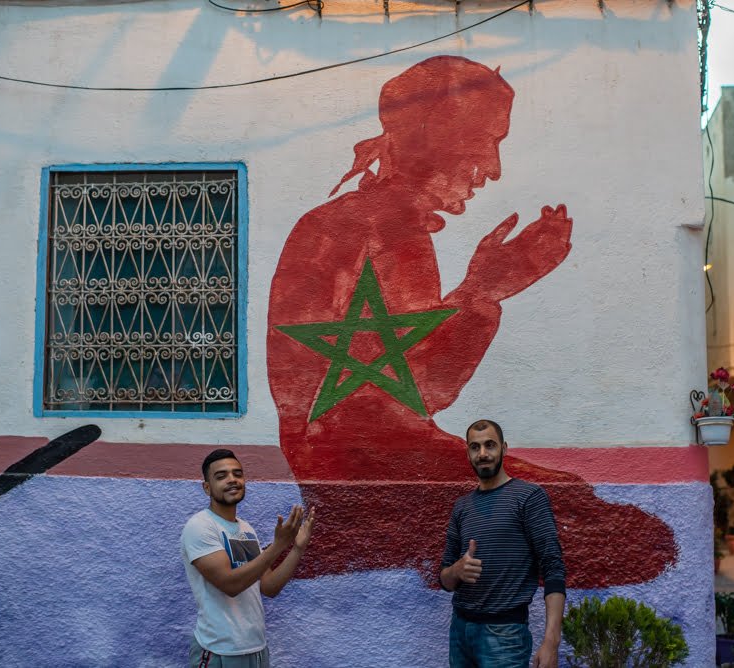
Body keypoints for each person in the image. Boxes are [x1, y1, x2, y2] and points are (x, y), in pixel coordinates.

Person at [266, 55, 676, 588]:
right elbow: (420, 389)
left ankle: (389, 548)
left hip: (367, 471)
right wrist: (485, 290)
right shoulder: (382, 231)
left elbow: (405, 384)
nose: (494, 167)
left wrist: (483, 290)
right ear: (436, 137)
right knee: (613, 531)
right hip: (370, 480)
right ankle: (376, 546)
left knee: (579, 506)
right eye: (486, 141)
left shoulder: (363, 224)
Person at [440, 420, 565, 668]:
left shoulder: (529, 497)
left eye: (490, 445)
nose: (483, 453)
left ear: (504, 448)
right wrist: (456, 570)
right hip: (460, 632)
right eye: (475, 447)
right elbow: (444, 580)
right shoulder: (461, 507)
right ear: (468, 453)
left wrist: (551, 642)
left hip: (505, 636)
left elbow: (553, 567)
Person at [181, 449, 315, 668]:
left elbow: (269, 587)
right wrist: (279, 545)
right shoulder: (200, 526)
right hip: (220, 652)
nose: (232, 480)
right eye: (221, 476)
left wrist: (296, 549)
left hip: (257, 650)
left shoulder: (246, 529)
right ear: (207, 488)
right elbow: (230, 584)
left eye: (237, 474)